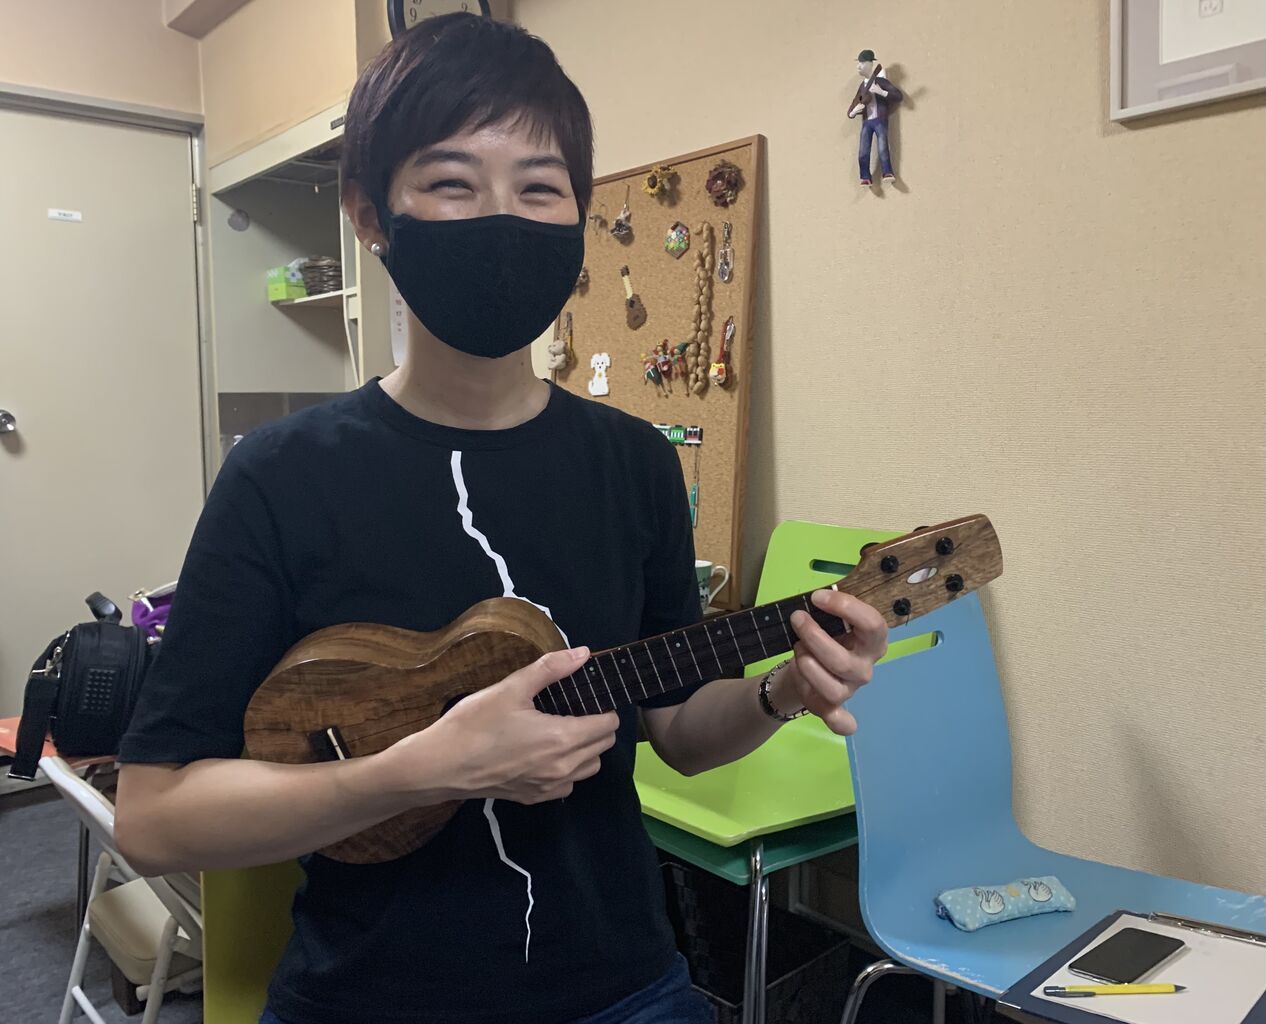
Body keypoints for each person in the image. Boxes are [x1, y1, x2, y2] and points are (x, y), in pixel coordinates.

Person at [115, 13, 888, 1024]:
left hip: (623, 987)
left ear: (577, 215)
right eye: (451, 183)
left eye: (538, 188)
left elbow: (681, 734)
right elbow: (156, 817)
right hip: (371, 1000)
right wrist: (415, 773)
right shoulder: (280, 477)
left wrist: (783, 690)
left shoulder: (635, 464)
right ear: (369, 213)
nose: (501, 219)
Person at [847, 48, 904, 186]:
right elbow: (854, 103)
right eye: (858, 63)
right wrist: (854, 112)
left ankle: (887, 172)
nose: (858, 66)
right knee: (863, 149)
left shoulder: (881, 82)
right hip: (867, 122)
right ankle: (865, 176)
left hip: (879, 120)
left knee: (883, 146)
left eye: (862, 63)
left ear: (869, 64)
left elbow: (898, 96)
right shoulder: (862, 86)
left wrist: (881, 92)